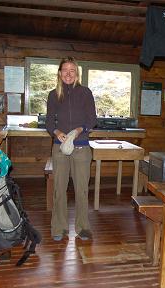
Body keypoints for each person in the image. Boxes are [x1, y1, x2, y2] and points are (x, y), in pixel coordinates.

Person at [45, 57, 97, 241]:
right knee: (59, 188)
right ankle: (59, 227)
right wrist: (57, 132)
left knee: (81, 189)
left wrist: (78, 130)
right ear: (59, 73)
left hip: (81, 147)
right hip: (60, 148)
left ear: (77, 73)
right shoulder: (53, 95)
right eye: (65, 70)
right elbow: (49, 121)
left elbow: (92, 119)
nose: (68, 73)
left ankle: (82, 227)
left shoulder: (85, 93)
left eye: (72, 70)